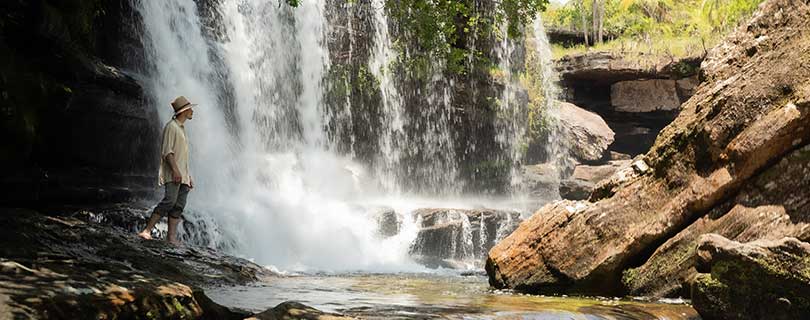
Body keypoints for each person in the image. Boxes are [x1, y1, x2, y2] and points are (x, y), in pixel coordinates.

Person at [137, 96, 196, 245]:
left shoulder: (181, 129)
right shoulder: (172, 127)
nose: (192, 111)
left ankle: (171, 238)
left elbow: (182, 157)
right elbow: (167, 152)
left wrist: (188, 176)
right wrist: (176, 171)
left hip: (183, 176)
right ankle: (147, 230)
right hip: (174, 174)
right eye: (190, 108)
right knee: (169, 201)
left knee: (178, 205)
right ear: (183, 111)